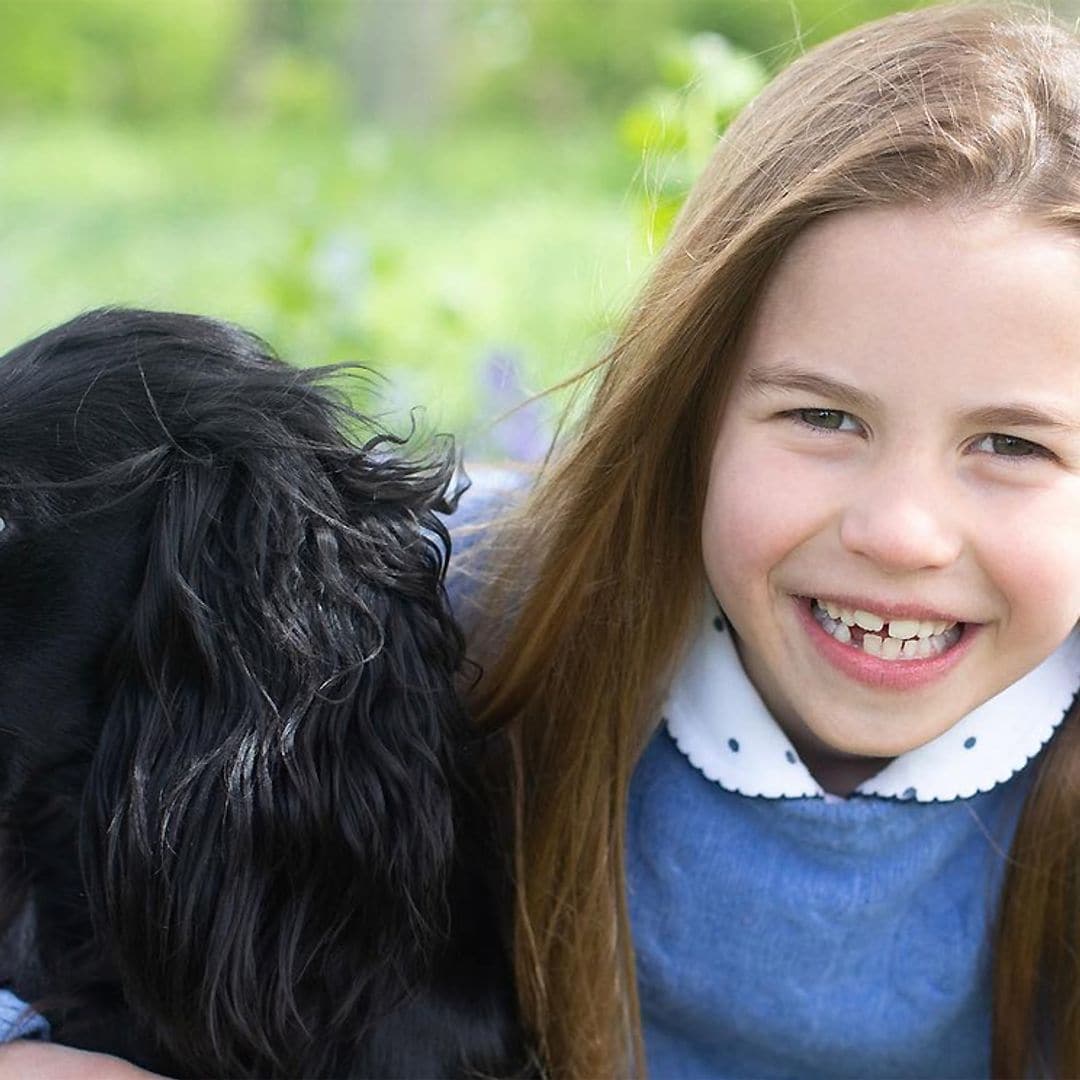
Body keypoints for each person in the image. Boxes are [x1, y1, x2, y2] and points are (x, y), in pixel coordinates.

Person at [460, 2, 1080, 1077]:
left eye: (1012, 445)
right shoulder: (467, 621)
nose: (898, 534)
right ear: (691, 410)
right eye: (824, 419)